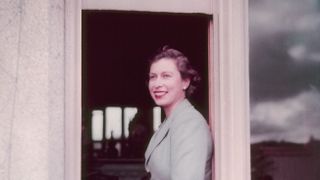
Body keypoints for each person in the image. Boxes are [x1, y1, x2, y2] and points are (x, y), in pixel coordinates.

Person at [144, 46, 213, 180]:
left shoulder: (190, 124)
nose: (157, 84)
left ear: (185, 82)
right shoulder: (172, 121)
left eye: (166, 76)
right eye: (153, 77)